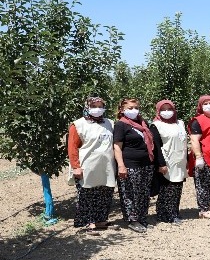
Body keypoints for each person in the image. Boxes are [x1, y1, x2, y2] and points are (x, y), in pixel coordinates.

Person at [67, 97, 116, 234]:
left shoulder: (109, 123)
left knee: (104, 193)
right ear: (87, 107)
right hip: (87, 165)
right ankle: (89, 222)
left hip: (106, 166)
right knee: (87, 194)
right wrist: (76, 166)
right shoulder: (78, 125)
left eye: (100, 106)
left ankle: (101, 220)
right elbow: (72, 147)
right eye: (94, 106)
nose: (97, 108)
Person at [113, 98, 154, 233]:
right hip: (130, 164)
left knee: (143, 192)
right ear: (122, 110)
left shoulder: (142, 123)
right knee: (130, 193)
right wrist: (121, 166)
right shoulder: (121, 125)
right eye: (130, 108)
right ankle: (132, 219)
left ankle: (142, 217)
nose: (134, 110)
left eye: (136, 107)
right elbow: (117, 147)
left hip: (146, 163)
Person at [150, 100, 188, 225]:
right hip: (167, 161)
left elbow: (183, 142)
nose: (167, 112)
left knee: (177, 188)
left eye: (169, 109)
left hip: (180, 161)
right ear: (158, 111)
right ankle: (165, 214)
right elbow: (156, 146)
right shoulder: (156, 125)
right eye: (163, 109)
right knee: (167, 189)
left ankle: (174, 212)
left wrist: (186, 160)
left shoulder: (180, 123)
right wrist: (161, 164)